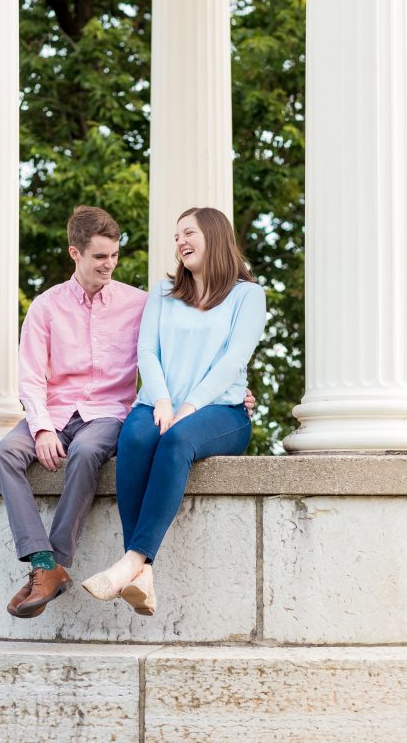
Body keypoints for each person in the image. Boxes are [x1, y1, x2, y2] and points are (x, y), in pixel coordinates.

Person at [81, 207, 266, 616]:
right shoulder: (164, 293)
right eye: (177, 235)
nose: (181, 241)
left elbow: (233, 360)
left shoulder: (247, 295)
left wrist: (190, 406)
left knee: (177, 440)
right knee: (136, 436)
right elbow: (147, 349)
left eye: (190, 233)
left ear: (214, 236)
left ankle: (131, 562)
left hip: (221, 411)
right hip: (159, 402)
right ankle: (141, 573)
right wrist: (161, 400)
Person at [0, 206, 148, 619]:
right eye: (99, 257)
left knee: (85, 453)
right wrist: (41, 429)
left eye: (114, 255)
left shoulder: (139, 304)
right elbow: (30, 375)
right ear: (74, 253)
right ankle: (44, 564)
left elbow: (177, 353)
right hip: (56, 413)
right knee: (2, 453)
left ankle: (54, 563)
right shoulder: (46, 306)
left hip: (108, 413)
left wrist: (233, 391)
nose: (109, 265)